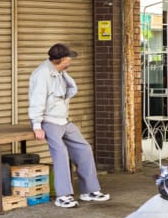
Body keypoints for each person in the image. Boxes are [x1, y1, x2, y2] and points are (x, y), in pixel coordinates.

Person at [28, 43, 109, 208]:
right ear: (61, 59)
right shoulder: (42, 74)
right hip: (49, 121)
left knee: (84, 148)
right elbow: (36, 100)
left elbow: (69, 90)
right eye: (68, 58)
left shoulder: (60, 72)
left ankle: (89, 190)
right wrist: (37, 125)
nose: (70, 61)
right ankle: (63, 196)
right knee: (61, 154)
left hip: (63, 119)